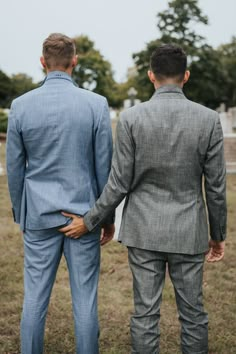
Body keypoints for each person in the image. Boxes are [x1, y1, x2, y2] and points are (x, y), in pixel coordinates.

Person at [61, 44, 227, 354]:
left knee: (145, 314)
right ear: (186, 76)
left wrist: (92, 220)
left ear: (151, 75)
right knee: (193, 314)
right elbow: (216, 187)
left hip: (143, 230)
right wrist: (217, 235)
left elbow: (118, 182)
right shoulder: (207, 119)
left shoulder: (131, 118)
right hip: (189, 230)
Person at [6, 33, 115, 354]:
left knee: (35, 297)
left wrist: (21, 215)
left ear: (42, 63)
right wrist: (104, 218)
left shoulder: (21, 106)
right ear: (74, 61)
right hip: (83, 217)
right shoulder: (96, 104)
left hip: (38, 216)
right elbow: (103, 168)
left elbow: (14, 169)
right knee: (84, 299)